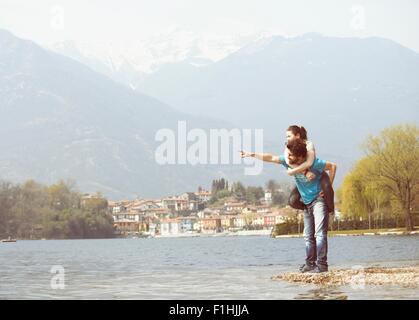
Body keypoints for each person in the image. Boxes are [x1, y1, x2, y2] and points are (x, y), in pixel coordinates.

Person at [240, 139, 337, 273]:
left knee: (319, 234)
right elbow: (271, 157)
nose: (288, 157)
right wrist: (251, 154)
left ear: (302, 157)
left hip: (318, 200)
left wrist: (327, 187)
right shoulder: (289, 162)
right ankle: (310, 264)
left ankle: (322, 265)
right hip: (306, 202)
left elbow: (333, 167)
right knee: (308, 236)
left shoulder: (314, 163)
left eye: (291, 155)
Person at [284, 125, 335, 215]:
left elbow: (309, 163)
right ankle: (308, 208)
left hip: (317, 173)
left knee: (327, 188)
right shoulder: (288, 147)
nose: (287, 138)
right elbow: (286, 160)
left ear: (297, 136)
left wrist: (296, 171)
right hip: (304, 179)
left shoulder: (308, 145)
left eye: (289, 136)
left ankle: (330, 211)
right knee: (292, 201)